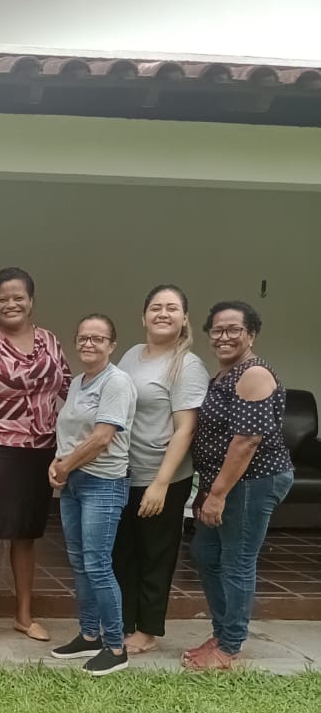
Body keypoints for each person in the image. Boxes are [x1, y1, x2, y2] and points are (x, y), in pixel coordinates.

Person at [0, 266, 71, 646]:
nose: (11, 303)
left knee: (26, 537)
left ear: (31, 301)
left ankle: (23, 615)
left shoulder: (50, 342)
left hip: (40, 454)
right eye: (3, 298)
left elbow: (71, 391)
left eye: (18, 297)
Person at [184, 301, 293, 671]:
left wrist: (217, 495)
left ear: (251, 334)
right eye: (217, 330)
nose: (224, 337)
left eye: (234, 330)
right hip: (224, 483)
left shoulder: (254, 374)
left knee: (236, 561)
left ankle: (229, 647)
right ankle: (223, 632)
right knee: (205, 554)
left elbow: (246, 441)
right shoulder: (223, 376)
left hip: (252, 482)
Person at [113, 285, 209, 654]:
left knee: (155, 553)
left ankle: (147, 630)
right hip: (125, 471)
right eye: (156, 307)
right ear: (143, 316)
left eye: (172, 308)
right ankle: (122, 621)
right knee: (123, 550)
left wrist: (161, 484)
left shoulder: (187, 365)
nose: (163, 314)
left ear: (185, 318)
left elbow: (186, 427)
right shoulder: (133, 355)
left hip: (161, 476)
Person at [49, 315, 137, 676]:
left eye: (98, 338)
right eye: (83, 337)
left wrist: (65, 465)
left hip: (103, 483)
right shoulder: (78, 383)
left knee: (98, 564)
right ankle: (88, 635)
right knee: (80, 563)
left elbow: (103, 438)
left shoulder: (116, 382)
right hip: (74, 483)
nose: (89, 344)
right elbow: (70, 431)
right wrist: (57, 463)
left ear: (111, 344)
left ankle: (115, 646)